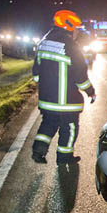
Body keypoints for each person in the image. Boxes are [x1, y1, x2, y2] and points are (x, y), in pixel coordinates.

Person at [32, 10, 96, 165]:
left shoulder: (43, 43)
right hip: (67, 102)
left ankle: (38, 151)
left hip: (47, 100)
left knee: (48, 124)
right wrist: (90, 92)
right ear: (68, 27)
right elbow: (81, 77)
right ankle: (64, 157)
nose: (76, 32)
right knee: (70, 128)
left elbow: (36, 75)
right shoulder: (71, 46)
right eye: (75, 28)